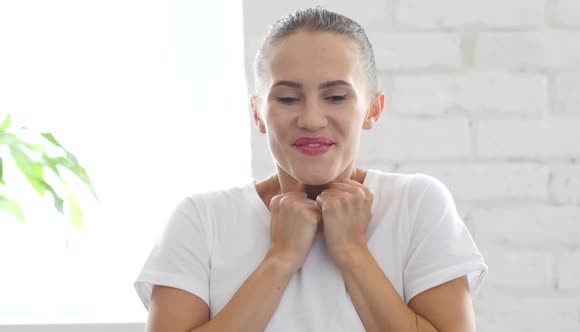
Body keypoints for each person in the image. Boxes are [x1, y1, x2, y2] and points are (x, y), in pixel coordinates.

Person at [135, 7, 488, 332]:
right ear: (258, 112)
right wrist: (280, 258)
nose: (311, 119)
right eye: (287, 98)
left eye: (336, 97)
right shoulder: (202, 218)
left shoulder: (417, 203)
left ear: (373, 110)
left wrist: (352, 251)